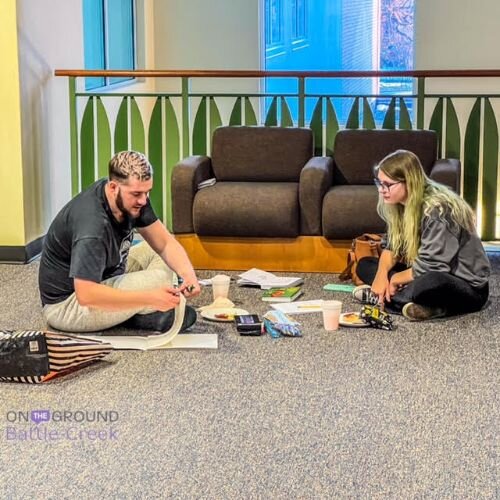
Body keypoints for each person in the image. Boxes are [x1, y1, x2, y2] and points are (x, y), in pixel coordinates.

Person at [38, 150, 201, 333]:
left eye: (147, 192)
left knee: (156, 251)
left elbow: (164, 243)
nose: (143, 200)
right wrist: (149, 298)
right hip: (69, 307)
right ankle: (135, 314)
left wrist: (188, 275)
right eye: (137, 194)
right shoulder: (93, 227)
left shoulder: (127, 198)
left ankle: (128, 312)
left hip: (105, 275)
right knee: (159, 280)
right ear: (113, 187)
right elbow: (86, 294)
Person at [353, 149, 490, 321]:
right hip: (423, 272)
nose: (382, 190)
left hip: (465, 285)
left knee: (429, 283)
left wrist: (395, 279)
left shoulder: (440, 209)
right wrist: (381, 276)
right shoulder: (398, 204)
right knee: (365, 264)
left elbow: (433, 266)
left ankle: (387, 299)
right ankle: (418, 305)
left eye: (388, 184)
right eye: (379, 183)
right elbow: (392, 246)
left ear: (409, 182)